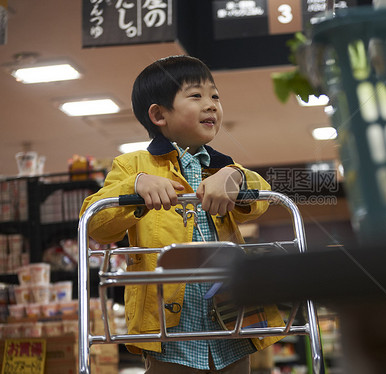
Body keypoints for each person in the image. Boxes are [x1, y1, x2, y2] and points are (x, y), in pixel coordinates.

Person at [80, 55, 282, 373]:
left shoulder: (223, 166)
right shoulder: (132, 165)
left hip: (233, 319)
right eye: (196, 96)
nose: (211, 104)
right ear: (159, 114)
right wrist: (136, 187)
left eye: (215, 95)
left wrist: (235, 177)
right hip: (168, 327)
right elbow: (96, 223)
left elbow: (262, 200)